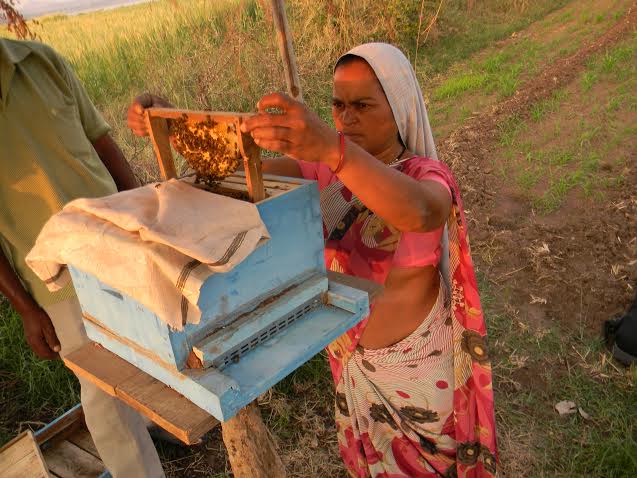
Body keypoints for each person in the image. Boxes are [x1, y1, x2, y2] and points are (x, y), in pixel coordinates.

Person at [129, 42, 497, 477]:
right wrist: (178, 126)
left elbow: (420, 211)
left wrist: (333, 149)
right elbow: (235, 173)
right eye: (338, 105)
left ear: (399, 108)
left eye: (362, 105)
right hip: (348, 363)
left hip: (415, 378)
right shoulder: (321, 174)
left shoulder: (422, 175)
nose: (346, 118)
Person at [0, 38, 165, 477]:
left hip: (119, 243)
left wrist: (145, 217)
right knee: (103, 394)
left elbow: (101, 143)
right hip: (55, 277)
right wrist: (26, 309)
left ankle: (155, 424)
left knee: (153, 349)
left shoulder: (43, 61)